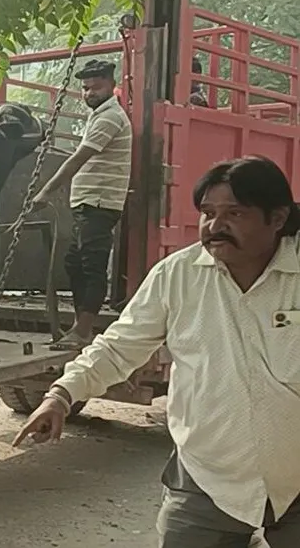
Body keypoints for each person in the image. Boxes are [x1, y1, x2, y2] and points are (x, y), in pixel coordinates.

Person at [15, 155, 300, 547]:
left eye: (235, 213)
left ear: (278, 218)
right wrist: (61, 395)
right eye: (208, 213)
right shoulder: (177, 275)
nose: (215, 226)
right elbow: (119, 347)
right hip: (208, 479)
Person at [30, 59, 133, 350]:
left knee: (91, 266)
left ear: (111, 86)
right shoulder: (98, 116)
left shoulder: (110, 117)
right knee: (75, 264)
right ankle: (80, 327)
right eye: (86, 88)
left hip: (99, 203)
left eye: (95, 87)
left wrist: (46, 192)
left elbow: (78, 159)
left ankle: (84, 330)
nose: (89, 93)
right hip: (88, 203)